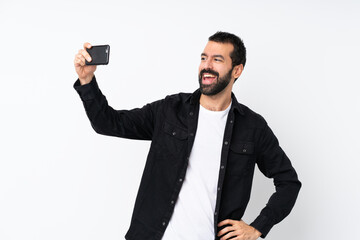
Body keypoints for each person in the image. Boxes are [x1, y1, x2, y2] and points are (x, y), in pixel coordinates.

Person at [73, 31, 301, 240]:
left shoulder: (252, 127)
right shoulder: (170, 110)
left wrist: (258, 227)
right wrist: (87, 81)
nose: (207, 66)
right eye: (203, 58)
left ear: (237, 70)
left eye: (217, 60)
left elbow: (288, 182)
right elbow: (109, 124)